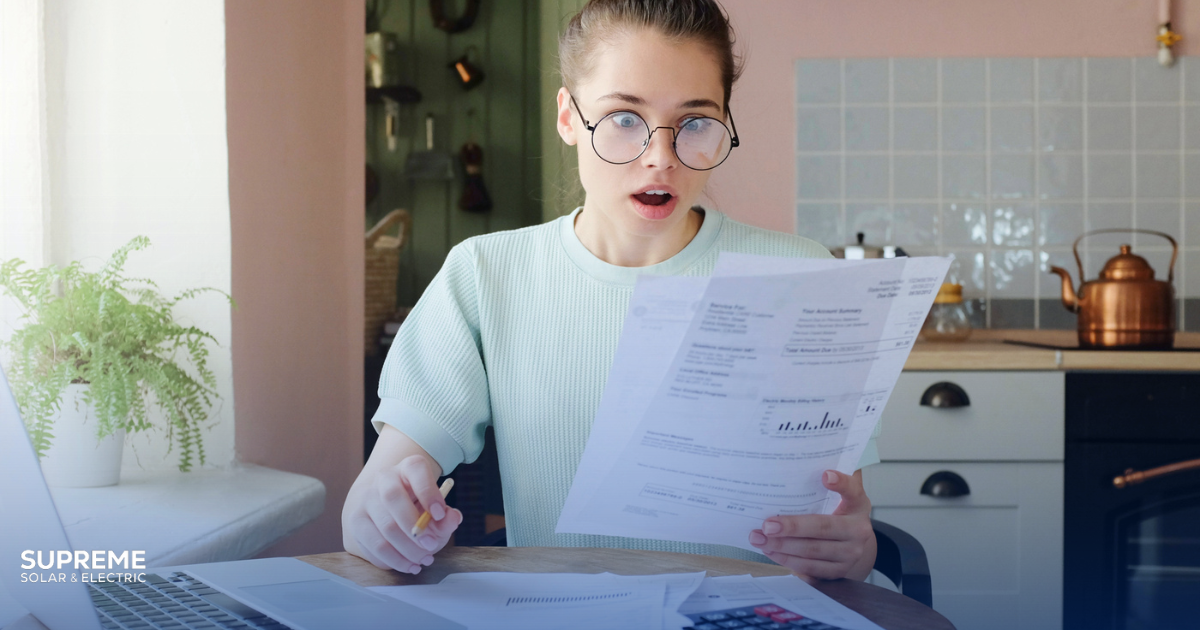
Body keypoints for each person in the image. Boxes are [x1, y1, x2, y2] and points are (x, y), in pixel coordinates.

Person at [342, 0, 878, 582]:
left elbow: (847, 531)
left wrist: (853, 548)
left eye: (696, 123)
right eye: (625, 117)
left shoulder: (800, 276)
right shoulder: (485, 273)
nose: (661, 157)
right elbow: (382, 487)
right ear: (569, 117)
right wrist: (380, 514)